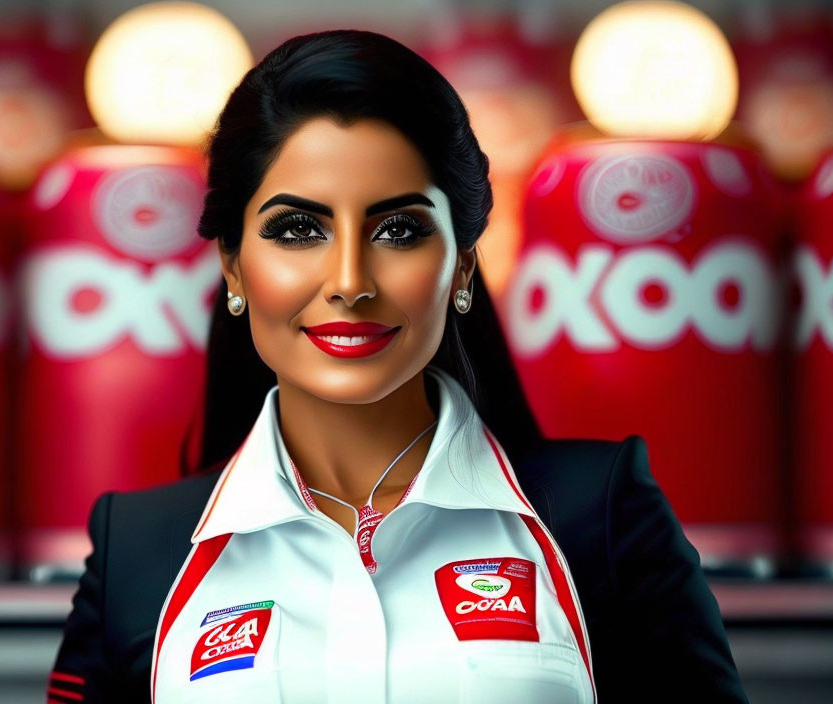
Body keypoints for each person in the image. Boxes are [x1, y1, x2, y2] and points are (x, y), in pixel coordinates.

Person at [47, 29, 748, 704]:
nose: (350, 280)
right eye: (298, 230)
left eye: (399, 230)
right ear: (233, 265)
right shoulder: (137, 553)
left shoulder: (600, 515)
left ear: (462, 264)